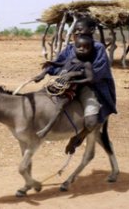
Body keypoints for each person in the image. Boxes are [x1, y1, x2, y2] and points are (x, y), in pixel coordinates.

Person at [33, 17, 117, 154]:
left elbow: (97, 72)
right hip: (68, 84)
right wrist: (44, 72)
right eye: (75, 30)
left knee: (91, 120)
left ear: (91, 30)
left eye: (79, 29)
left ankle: (78, 137)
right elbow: (58, 62)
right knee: (43, 96)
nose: (76, 32)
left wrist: (73, 75)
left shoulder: (98, 48)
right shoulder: (71, 47)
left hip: (90, 86)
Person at [36, 35, 95, 138]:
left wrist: (74, 79)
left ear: (90, 50)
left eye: (86, 47)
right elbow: (61, 63)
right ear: (74, 47)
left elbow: (90, 79)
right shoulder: (71, 58)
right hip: (57, 84)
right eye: (79, 46)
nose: (82, 49)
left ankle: (47, 128)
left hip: (69, 90)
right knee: (40, 94)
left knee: (60, 106)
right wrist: (51, 63)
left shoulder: (86, 64)